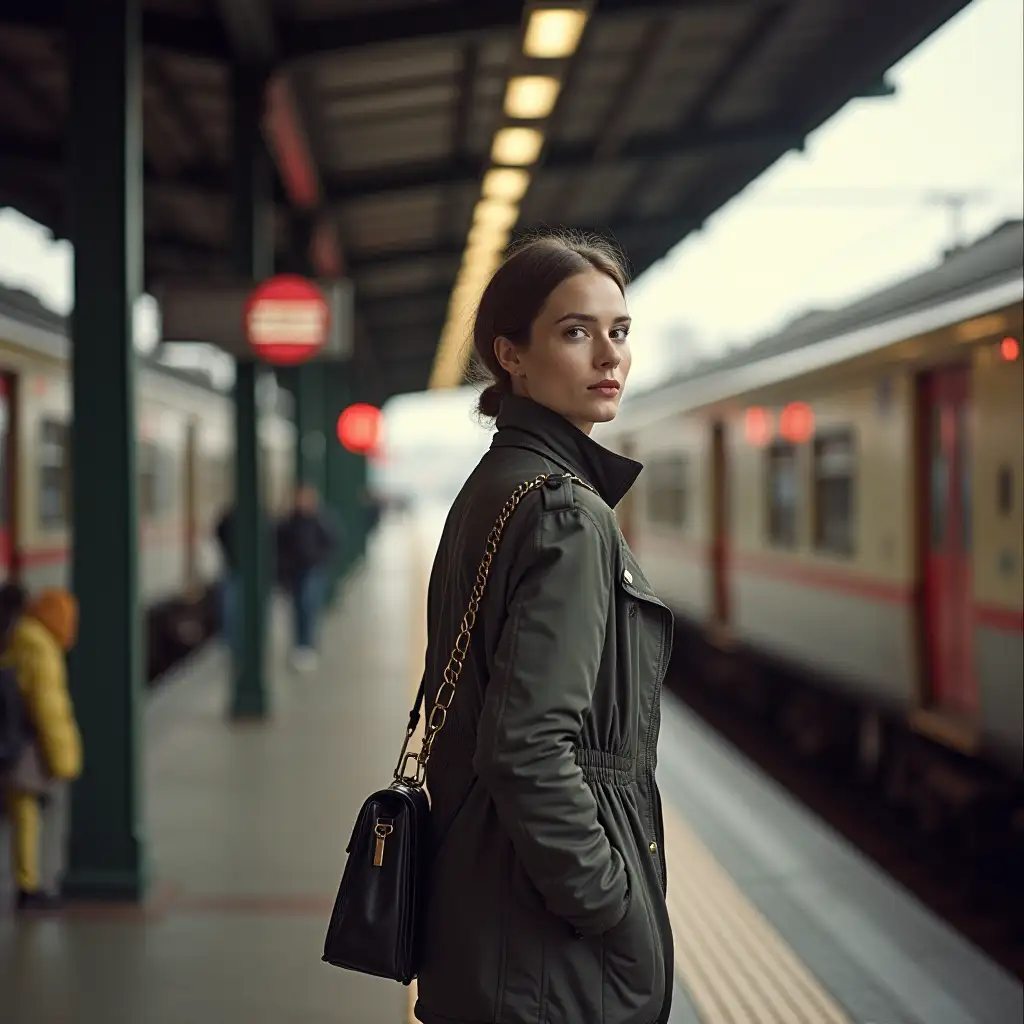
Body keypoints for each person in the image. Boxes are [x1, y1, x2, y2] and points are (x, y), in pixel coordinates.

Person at [412, 233, 675, 1024]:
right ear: (511, 355)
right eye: (574, 331)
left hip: (488, 912)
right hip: (544, 947)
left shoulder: (495, 485)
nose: (609, 355)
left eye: (619, 330)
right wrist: (613, 910)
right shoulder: (566, 511)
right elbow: (526, 748)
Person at [1, 587, 82, 912]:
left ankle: (27, 882)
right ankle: (26, 886)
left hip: (12, 737)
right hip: (24, 742)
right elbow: (48, 706)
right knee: (25, 810)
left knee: (23, 808)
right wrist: (62, 758)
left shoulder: (21, 636)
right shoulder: (40, 646)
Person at [275, 485, 336, 671]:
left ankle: (307, 646)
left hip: (313, 570)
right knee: (298, 609)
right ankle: (301, 646)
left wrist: (320, 560)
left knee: (308, 607)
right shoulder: (287, 522)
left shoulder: (320, 520)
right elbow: (278, 547)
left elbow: (332, 541)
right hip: (295, 572)